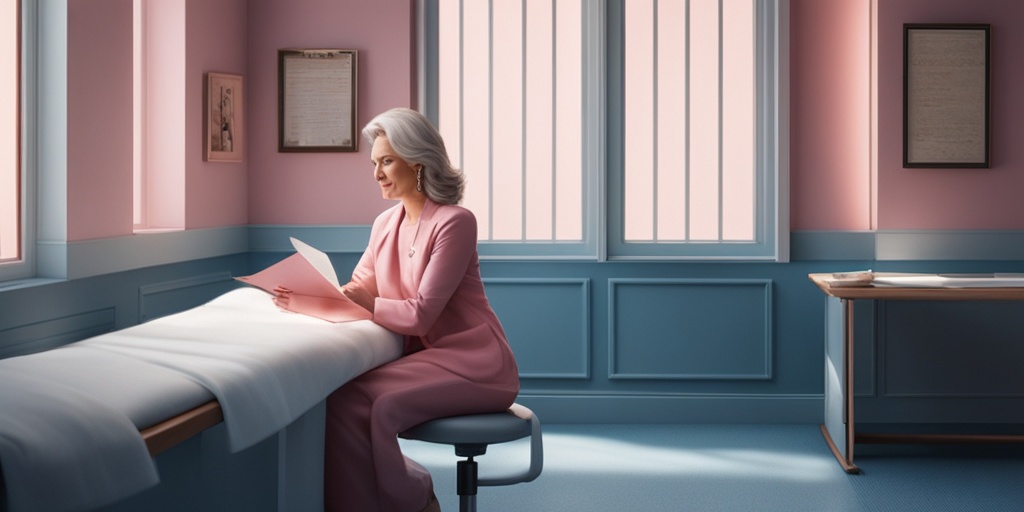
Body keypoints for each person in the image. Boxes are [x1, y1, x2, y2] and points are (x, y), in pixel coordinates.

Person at [277, 107, 520, 512]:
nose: (377, 174)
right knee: (340, 400)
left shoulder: (455, 223)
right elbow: (360, 287)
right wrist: (310, 295)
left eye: (386, 161)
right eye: (374, 162)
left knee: (381, 406)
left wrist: (361, 300)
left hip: (477, 363)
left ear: (418, 162)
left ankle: (413, 498)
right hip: (429, 358)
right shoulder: (384, 223)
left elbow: (420, 314)